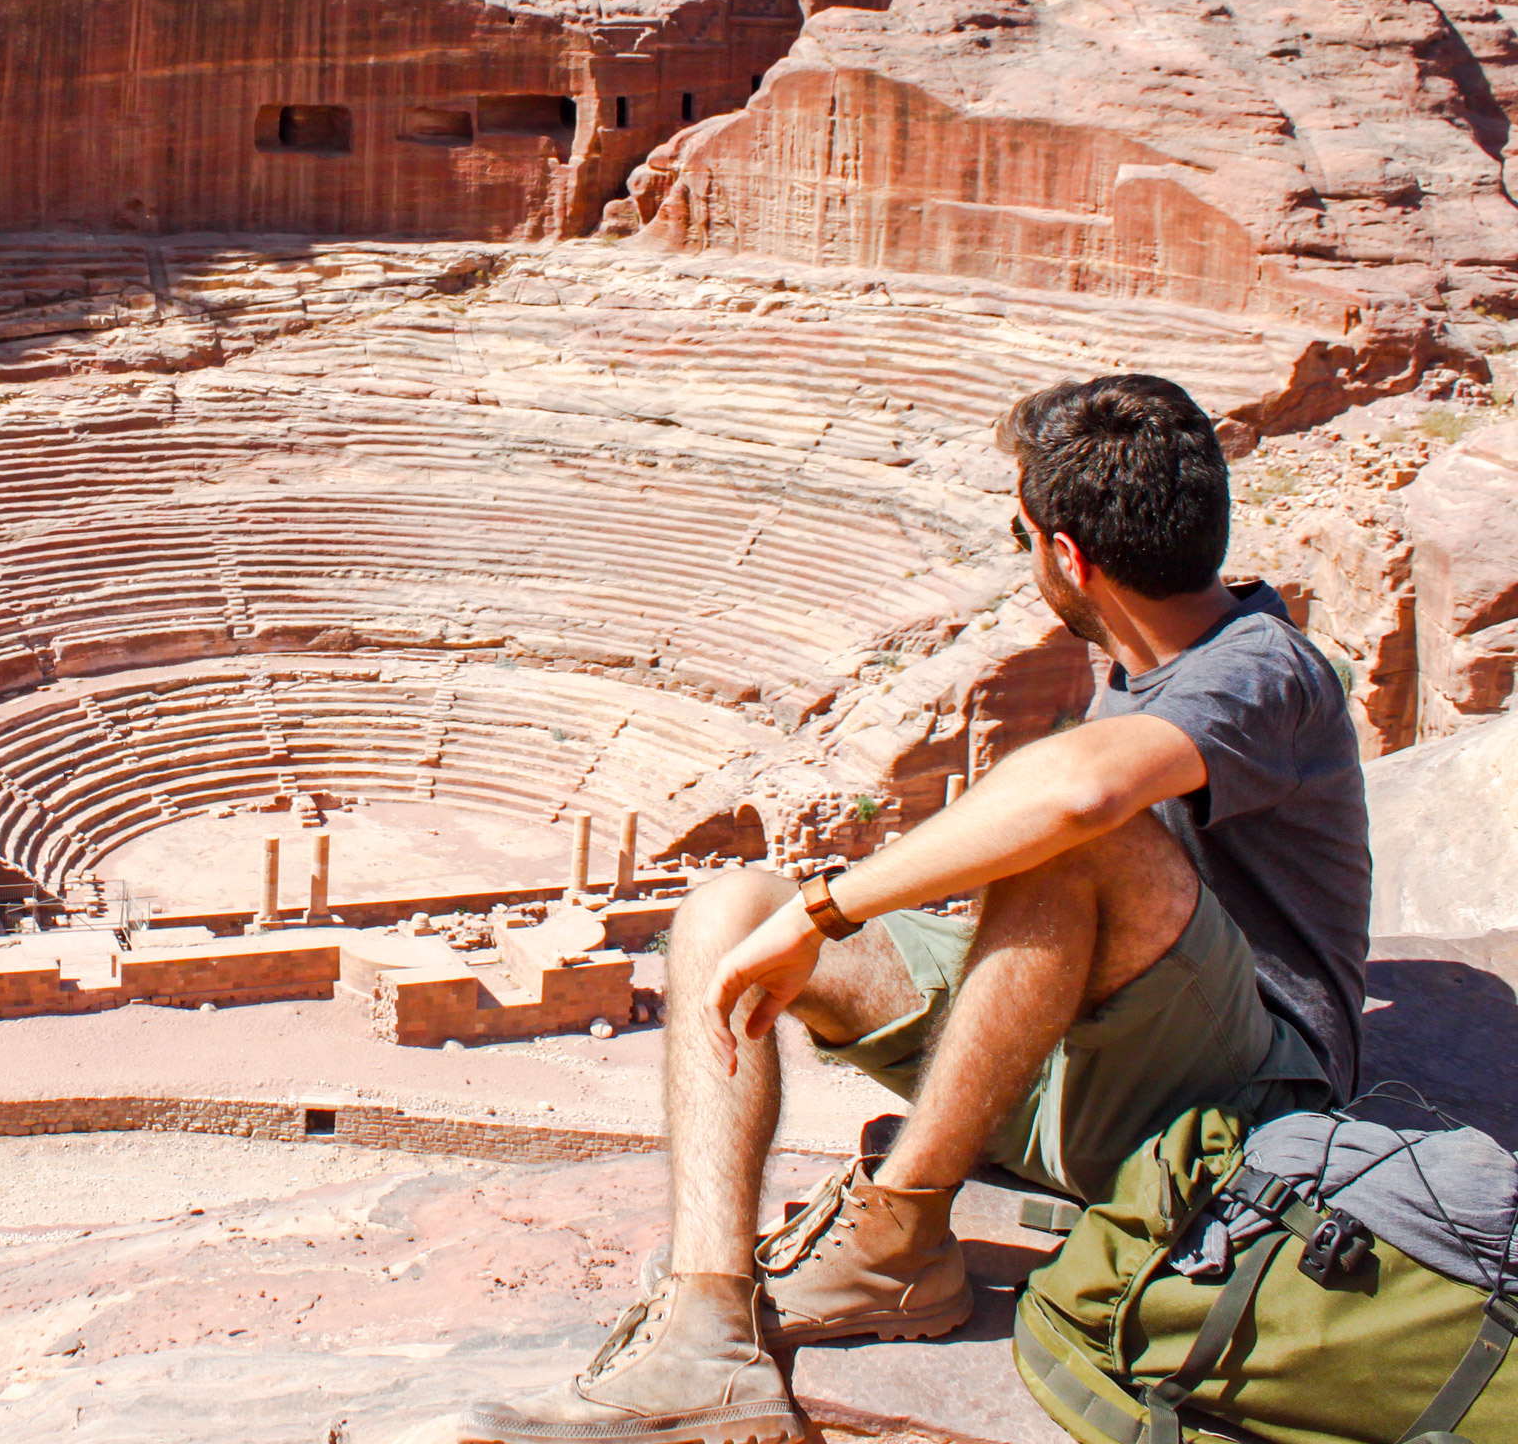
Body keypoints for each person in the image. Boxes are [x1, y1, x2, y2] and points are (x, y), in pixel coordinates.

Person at [459, 374, 1369, 1444]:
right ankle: (706, 1336)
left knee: (1072, 832)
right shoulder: (1137, 657)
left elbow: (1081, 798)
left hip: (1235, 1099)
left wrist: (829, 908)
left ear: (1066, 558)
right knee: (729, 910)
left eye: (1020, 529)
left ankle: (898, 1232)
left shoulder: (1263, 670)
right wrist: (788, 913)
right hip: (1089, 1057)